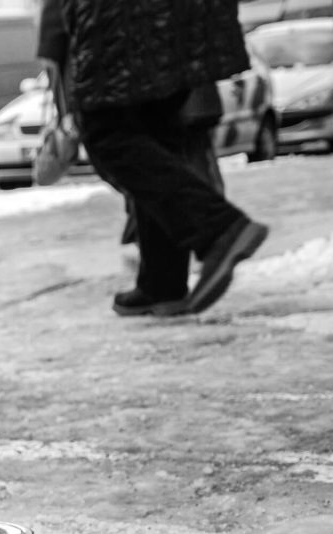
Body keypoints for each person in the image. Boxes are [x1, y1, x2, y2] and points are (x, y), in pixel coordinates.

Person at [54, 0, 269, 317]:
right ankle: (162, 281)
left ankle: (219, 229)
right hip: (172, 17)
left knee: (106, 134)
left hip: (123, 17)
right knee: (152, 128)